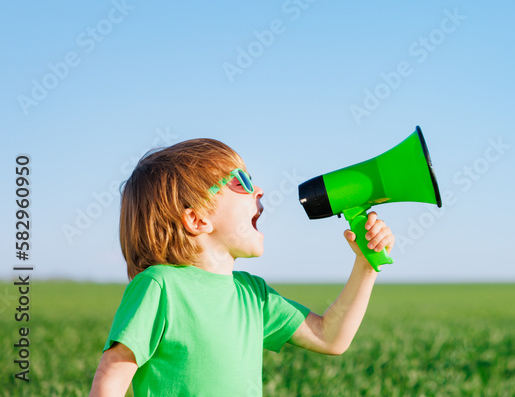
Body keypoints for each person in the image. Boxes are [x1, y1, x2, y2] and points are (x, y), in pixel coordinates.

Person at [89, 138, 395, 397]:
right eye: (242, 181)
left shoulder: (253, 293)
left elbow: (330, 337)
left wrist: (366, 265)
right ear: (197, 219)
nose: (258, 189)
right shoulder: (160, 286)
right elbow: (112, 375)